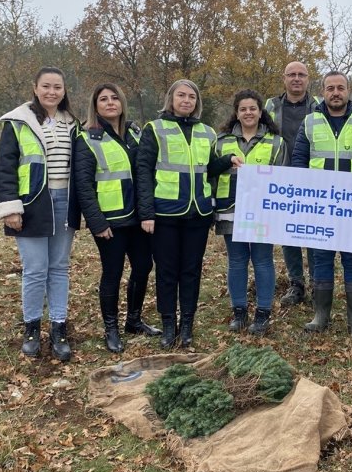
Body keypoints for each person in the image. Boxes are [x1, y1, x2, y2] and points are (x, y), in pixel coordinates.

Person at [136, 80, 239, 349]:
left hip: (198, 214)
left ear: (197, 102)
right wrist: (146, 212)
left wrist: (227, 160)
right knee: (167, 271)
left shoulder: (207, 132)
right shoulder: (154, 129)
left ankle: (187, 325)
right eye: (181, 95)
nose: (186, 100)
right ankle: (169, 324)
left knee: (191, 271)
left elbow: (207, 170)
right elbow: (144, 173)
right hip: (164, 213)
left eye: (192, 97)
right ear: (170, 99)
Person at [0, 66, 80, 361]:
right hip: (32, 204)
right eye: (46, 86)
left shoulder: (72, 123)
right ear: (35, 88)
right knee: (35, 269)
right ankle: (31, 328)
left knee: (59, 267)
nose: (52, 92)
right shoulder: (18, 122)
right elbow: (5, 168)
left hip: (65, 201)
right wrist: (10, 208)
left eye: (57, 87)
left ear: (64, 91)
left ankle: (58, 327)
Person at [73, 83, 161, 354]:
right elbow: (83, 185)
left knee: (143, 266)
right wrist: (97, 222)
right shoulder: (88, 137)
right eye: (103, 99)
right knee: (112, 273)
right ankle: (110, 328)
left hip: (138, 217)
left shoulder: (135, 133)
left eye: (114, 98)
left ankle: (133, 320)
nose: (110, 103)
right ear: (95, 105)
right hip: (110, 221)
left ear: (122, 102)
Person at [291, 71, 352, 339]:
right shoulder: (310, 122)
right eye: (330, 88)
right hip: (319, 206)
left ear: (349, 91)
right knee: (321, 259)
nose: (335, 93)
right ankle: (320, 315)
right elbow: (299, 160)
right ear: (322, 92)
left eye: (340, 88)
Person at [213, 90, 287, 335]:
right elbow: (210, 172)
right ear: (236, 112)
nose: (248, 113)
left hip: (262, 211)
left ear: (260, 111)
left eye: (252, 108)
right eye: (243, 109)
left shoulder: (276, 142)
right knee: (236, 261)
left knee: (263, 260)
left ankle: (263, 314)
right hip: (230, 208)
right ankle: (239, 312)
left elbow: (284, 179)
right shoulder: (221, 141)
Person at [265, 61, 320, 307]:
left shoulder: (319, 106)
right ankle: (296, 284)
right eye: (292, 75)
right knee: (289, 234)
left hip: (313, 178)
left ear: (308, 79)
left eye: (301, 75)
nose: (296, 79)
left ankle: (319, 283)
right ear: (284, 79)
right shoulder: (271, 106)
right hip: (282, 178)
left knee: (315, 234)